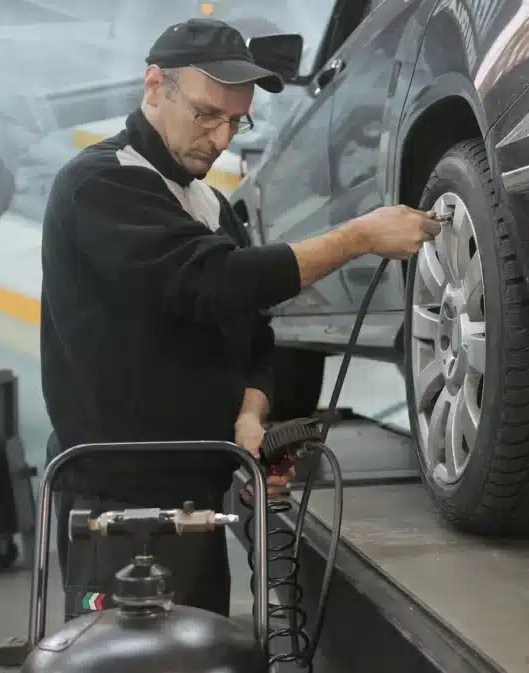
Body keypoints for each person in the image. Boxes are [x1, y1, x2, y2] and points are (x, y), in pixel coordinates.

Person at [40, 17, 441, 622]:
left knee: (203, 654)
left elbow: (254, 332)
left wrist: (249, 418)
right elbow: (213, 282)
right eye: (206, 115)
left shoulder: (210, 204)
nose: (222, 137)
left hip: (198, 496)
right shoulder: (99, 184)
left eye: (237, 121)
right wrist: (358, 236)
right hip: (119, 507)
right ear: (155, 87)